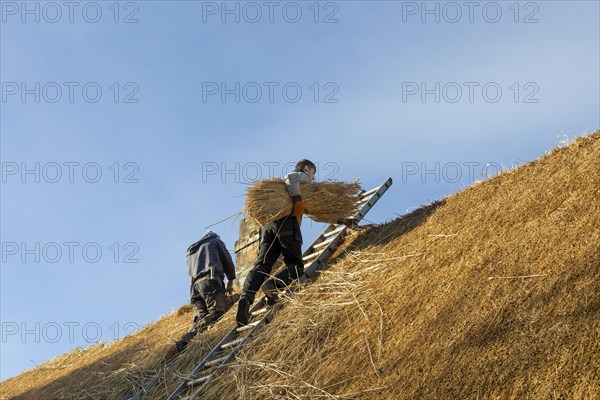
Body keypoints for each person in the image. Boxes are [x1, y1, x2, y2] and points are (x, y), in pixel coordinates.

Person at [236, 159, 316, 326]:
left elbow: (315, 212)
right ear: (307, 169)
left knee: (262, 265)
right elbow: (291, 177)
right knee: (295, 265)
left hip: (269, 225)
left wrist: (340, 220)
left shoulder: (283, 194)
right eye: (313, 174)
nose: (312, 178)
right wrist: (297, 200)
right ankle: (272, 285)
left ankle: (246, 297)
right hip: (287, 222)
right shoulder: (300, 178)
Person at [176, 231, 236, 351]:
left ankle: (184, 341)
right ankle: (189, 338)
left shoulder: (191, 251)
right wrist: (230, 279)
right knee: (216, 312)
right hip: (210, 281)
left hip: (194, 289)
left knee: (201, 316)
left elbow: (190, 273)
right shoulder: (215, 241)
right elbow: (227, 259)